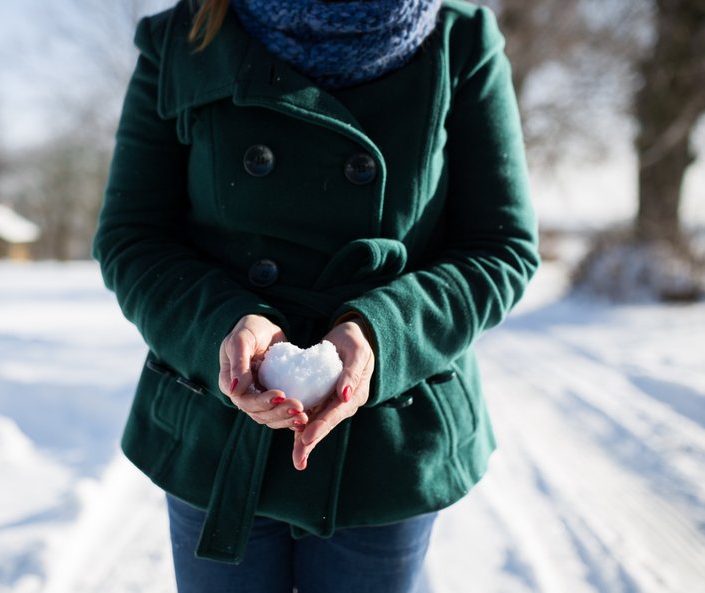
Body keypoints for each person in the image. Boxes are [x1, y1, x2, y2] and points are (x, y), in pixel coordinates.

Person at [92, 0, 539, 590]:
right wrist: (224, 328)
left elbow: (501, 246)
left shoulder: (460, 41)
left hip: (386, 445)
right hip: (218, 431)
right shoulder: (186, 36)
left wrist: (379, 335)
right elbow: (133, 236)